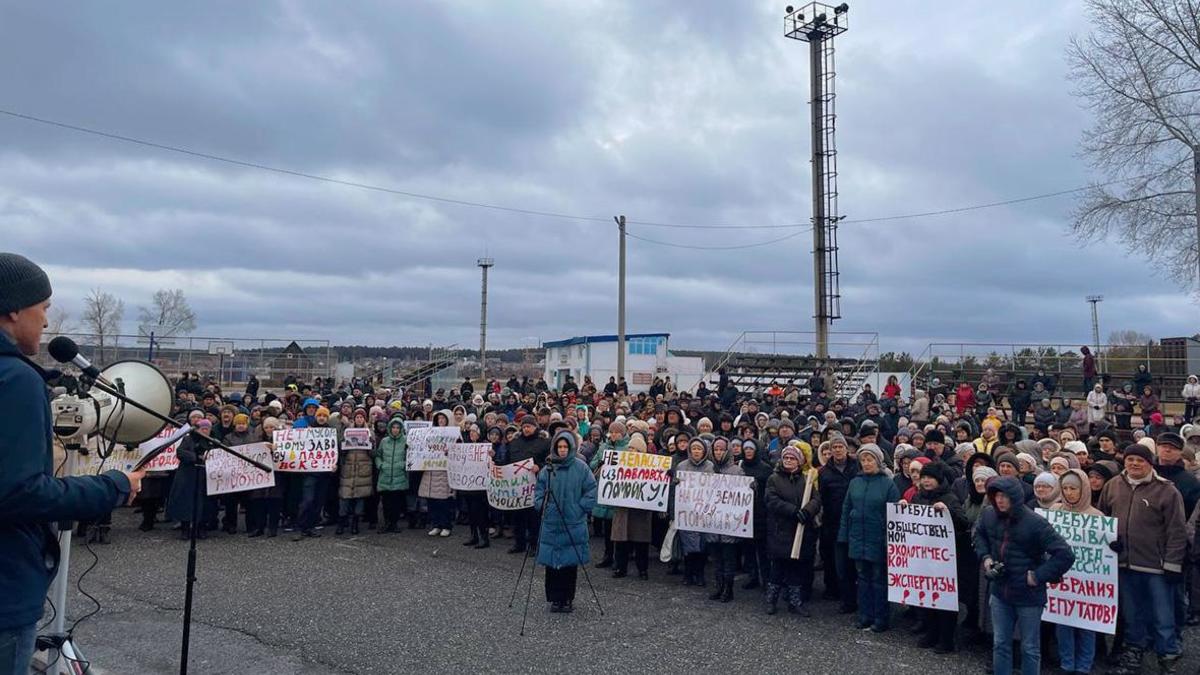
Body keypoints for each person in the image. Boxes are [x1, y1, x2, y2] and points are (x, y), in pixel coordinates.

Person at [0, 253, 145, 673]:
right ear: (12, 309)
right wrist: (114, 485)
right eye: (42, 308)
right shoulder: (16, 380)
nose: (46, 322)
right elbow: (18, 492)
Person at [1099, 442, 1188, 675]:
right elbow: (1102, 518)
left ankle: (1167, 656)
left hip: (1156, 566)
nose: (1135, 464)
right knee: (1132, 613)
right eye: (1130, 460)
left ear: (1150, 464)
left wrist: (1172, 564)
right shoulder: (1113, 485)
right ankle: (1133, 653)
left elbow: (1177, 531)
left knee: (1162, 614)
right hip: (1124, 562)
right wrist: (1109, 542)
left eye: (1140, 460)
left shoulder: (1167, 491)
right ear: (1124, 461)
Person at [973, 476, 1075, 675]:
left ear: (1015, 497)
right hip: (1000, 590)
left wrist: (1037, 576)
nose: (1000, 500)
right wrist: (985, 557)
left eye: (1004, 496)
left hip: (1029, 596)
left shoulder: (1035, 523)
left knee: (1029, 648)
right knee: (1000, 643)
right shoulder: (988, 515)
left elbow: (1065, 554)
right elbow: (979, 535)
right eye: (996, 496)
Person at [838, 443, 899, 632]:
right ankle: (865, 615)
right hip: (858, 537)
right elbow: (847, 509)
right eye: (863, 459)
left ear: (878, 461)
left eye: (870, 459)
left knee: (879, 579)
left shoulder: (888, 484)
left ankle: (881, 617)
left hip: (878, 539)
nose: (866, 463)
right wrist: (844, 534)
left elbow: (894, 515)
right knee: (862, 579)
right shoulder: (855, 482)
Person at [535, 431, 597, 613]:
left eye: (565, 447)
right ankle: (555, 598)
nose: (562, 450)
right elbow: (538, 490)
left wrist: (580, 508)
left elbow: (591, 489)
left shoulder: (581, 467)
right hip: (552, 520)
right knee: (552, 564)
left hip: (573, 521)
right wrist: (542, 505)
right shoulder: (548, 468)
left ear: (571, 448)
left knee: (570, 564)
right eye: (559, 447)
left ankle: (567, 598)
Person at [1051, 469, 1102, 675]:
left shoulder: (1096, 516)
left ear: (1084, 490)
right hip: (1061, 579)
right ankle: (1066, 664)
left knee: (1086, 626)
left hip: (1086, 582)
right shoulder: (1055, 512)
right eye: (1065, 488)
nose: (1069, 492)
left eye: (1074, 488)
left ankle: (1083, 666)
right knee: (1062, 624)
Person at [765, 445, 821, 616]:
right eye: (786, 458)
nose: (788, 461)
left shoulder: (806, 480)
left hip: (800, 531)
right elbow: (771, 500)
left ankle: (795, 602)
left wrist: (807, 511)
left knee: (796, 569)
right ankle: (771, 601)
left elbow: (816, 499)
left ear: (799, 461)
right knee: (778, 568)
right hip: (780, 531)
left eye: (792, 458)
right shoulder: (774, 479)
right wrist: (793, 511)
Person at [707, 434, 745, 603]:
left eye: (722, 449)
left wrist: (751, 488)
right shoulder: (708, 469)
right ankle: (719, 586)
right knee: (716, 559)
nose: (719, 452)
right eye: (716, 449)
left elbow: (744, 497)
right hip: (712, 521)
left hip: (729, 524)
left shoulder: (737, 471)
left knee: (728, 559)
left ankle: (728, 589)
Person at [611, 432, 653, 580]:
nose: (631, 451)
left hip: (641, 510)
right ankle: (620, 568)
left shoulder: (651, 468)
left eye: (634, 449)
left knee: (641, 542)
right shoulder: (619, 464)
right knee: (621, 541)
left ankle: (643, 569)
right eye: (629, 448)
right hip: (623, 510)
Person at [374, 417, 409, 533]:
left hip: (399, 476)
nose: (395, 430)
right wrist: (380, 465)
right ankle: (387, 523)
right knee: (386, 502)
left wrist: (403, 464)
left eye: (398, 428)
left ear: (401, 429)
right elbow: (378, 455)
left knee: (396, 503)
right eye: (393, 427)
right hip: (385, 475)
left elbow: (410, 456)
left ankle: (394, 524)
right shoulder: (384, 441)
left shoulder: (406, 441)